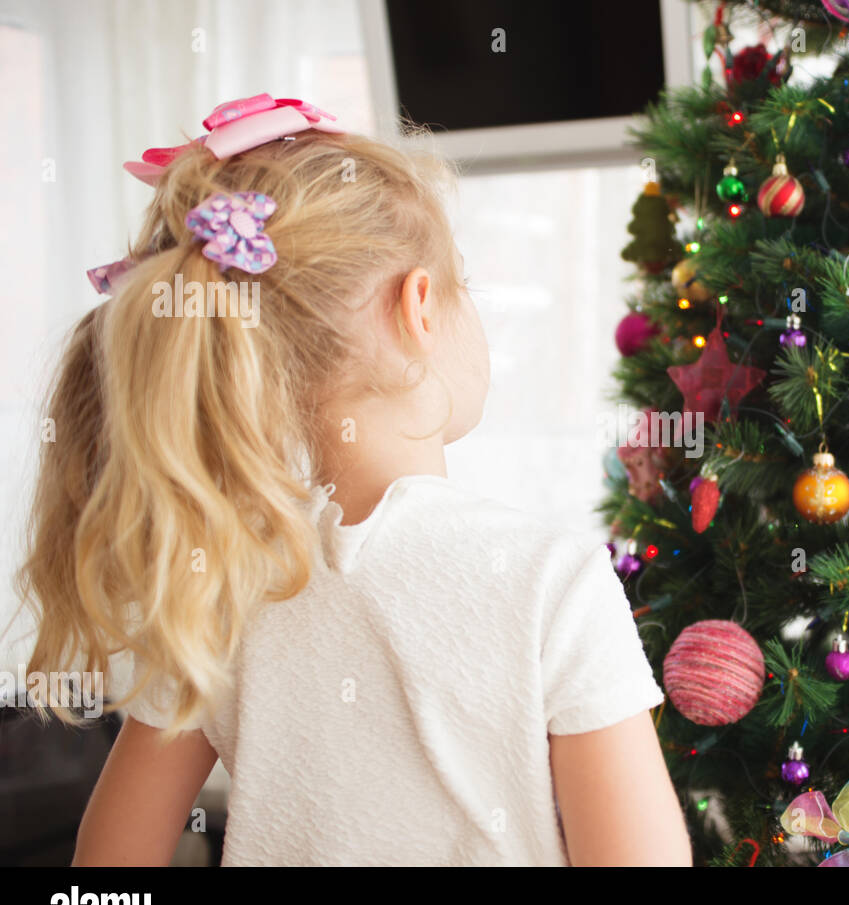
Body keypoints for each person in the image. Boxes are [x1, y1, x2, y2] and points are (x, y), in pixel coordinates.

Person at [20, 95, 690, 866]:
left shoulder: (223, 582)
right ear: (420, 307)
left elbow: (107, 871)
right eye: (460, 280)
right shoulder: (553, 581)